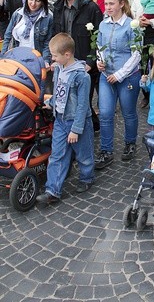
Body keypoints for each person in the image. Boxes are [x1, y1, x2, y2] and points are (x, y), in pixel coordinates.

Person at [36, 33, 94, 205]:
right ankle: (52, 190)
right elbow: (59, 92)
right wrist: (51, 102)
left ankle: (87, 177)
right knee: (57, 155)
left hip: (77, 122)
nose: (52, 58)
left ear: (67, 55)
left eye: (55, 55)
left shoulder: (81, 76)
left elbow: (83, 106)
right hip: (60, 120)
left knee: (83, 154)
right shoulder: (59, 69)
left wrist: (76, 129)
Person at [94, 0, 141, 169]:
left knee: (129, 112)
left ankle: (130, 143)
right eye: (106, 3)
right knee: (105, 113)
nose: (108, 7)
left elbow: (136, 54)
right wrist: (100, 61)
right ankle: (106, 150)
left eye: (111, 3)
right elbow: (99, 46)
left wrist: (120, 74)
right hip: (107, 75)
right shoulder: (103, 25)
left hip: (128, 76)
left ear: (122, 4)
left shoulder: (132, 25)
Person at [52, 0, 103, 131]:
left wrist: (90, 62)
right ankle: (89, 128)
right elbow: (55, 35)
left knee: (82, 103)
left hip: (83, 66)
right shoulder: (58, 8)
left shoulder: (91, 8)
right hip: (64, 65)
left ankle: (82, 136)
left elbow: (99, 39)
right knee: (68, 101)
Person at [1, 0, 53, 66]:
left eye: (37, 0)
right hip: (16, 58)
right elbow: (8, 37)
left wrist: (45, 61)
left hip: (36, 60)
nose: (33, 3)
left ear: (43, 2)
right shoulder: (18, 14)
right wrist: (2, 57)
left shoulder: (48, 18)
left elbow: (48, 42)